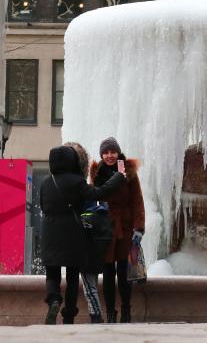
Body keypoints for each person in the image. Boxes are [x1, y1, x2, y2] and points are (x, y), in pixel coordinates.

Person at [40, 145, 126, 324]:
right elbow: (99, 193)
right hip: (72, 232)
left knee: (52, 274)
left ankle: (54, 299)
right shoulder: (77, 182)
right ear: (72, 161)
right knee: (72, 276)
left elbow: (43, 206)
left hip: (50, 233)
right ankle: (69, 315)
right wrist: (118, 177)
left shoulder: (46, 182)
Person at [89, 137, 144, 323]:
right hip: (106, 228)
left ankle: (126, 310)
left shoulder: (129, 172)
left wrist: (139, 228)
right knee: (107, 272)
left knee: (123, 273)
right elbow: (91, 200)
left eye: (113, 152)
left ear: (118, 153)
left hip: (126, 229)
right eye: (106, 152)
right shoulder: (96, 173)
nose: (109, 156)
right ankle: (111, 312)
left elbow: (137, 201)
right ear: (101, 155)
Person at [64, 141, 110, 323]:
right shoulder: (86, 187)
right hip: (94, 240)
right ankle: (96, 316)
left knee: (86, 283)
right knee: (89, 282)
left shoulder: (77, 188)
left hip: (83, 241)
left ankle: (95, 316)